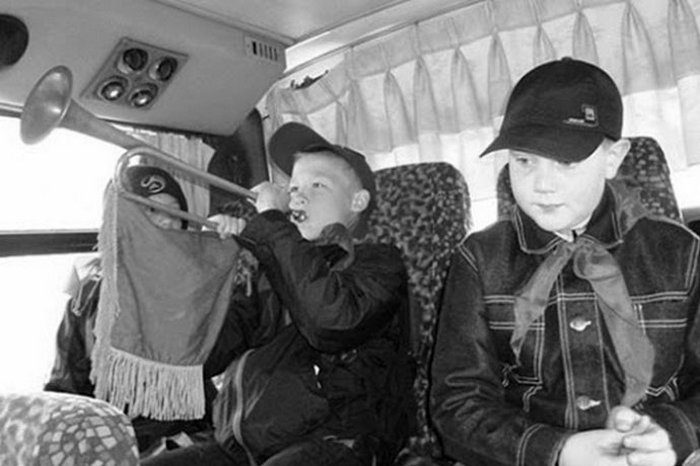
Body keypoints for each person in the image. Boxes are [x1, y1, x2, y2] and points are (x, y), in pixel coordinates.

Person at [431, 57, 697, 466]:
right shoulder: (480, 259)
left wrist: (671, 433)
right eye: (524, 161)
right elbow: (457, 404)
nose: (542, 183)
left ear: (613, 158)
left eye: (566, 162)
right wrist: (559, 451)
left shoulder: (681, 253)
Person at [143, 122, 414, 466]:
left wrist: (271, 223)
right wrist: (210, 263)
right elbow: (207, 352)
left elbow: (331, 322)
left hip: (337, 440)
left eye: (317, 185)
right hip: (244, 446)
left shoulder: (380, 262)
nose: (298, 196)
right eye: (294, 187)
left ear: (357, 201)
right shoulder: (273, 267)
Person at [45, 165, 216, 456]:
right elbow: (65, 382)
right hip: (108, 438)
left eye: (175, 211)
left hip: (184, 435)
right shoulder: (91, 293)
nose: (167, 221)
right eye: (151, 211)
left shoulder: (197, 281)